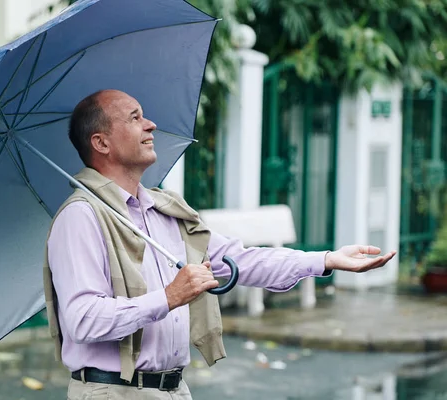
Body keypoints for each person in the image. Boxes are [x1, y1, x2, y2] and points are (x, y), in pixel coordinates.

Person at [44, 89, 396, 399]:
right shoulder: (81, 217)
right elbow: (83, 320)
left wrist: (326, 260)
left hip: (172, 389)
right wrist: (168, 297)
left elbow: (242, 261)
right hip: (112, 393)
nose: (150, 124)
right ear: (101, 142)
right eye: (135, 118)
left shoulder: (164, 211)